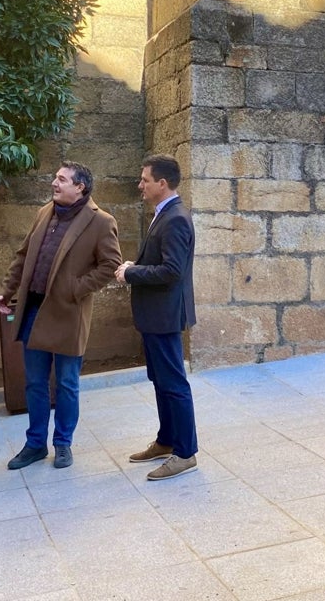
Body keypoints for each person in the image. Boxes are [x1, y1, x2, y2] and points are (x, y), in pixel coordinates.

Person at [0, 162, 122, 470]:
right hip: (33, 309)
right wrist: (7, 290)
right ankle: (35, 444)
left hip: (67, 311)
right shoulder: (44, 212)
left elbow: (110, 265)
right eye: (56, 178)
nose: (54, 183)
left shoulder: (101, 221)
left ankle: (63, 443)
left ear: (79, 187)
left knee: (67, 383)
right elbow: (24, 255)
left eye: (61, 179)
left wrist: (75, 289)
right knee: (35, 382)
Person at [115, 154, 199, 481]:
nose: (140, 185)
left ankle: (186, 452)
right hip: (155, 316)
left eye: (145, 180)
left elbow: (172, 271)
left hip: (164, 316)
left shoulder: (175, 218)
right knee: (161, 381)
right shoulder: (164, 214)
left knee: (174, 384)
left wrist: (132, 272)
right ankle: (166, 441)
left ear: (162, 184)